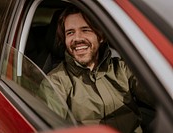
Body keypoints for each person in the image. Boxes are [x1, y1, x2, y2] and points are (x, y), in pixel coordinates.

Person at [39, 5, 154, 133]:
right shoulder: (55, 83)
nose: (77, 38)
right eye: (70, 32)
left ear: (101, 37)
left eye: (85, 30)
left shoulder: (122, 68)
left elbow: (157, 95)